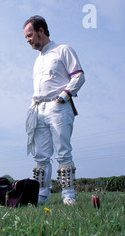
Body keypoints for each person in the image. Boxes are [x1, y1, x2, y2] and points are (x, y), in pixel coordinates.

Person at [23, 16, 85, 205]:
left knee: (63, 152)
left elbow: (78, 76)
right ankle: (41, 195)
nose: (28, 40)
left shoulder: (62, 50)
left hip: (58, 107)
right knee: (40, 155)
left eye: (30, 35)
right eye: (26, 38)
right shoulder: (37, 60)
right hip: (38, 109)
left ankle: (68, 195)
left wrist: (64, 96)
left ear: (41, 30)